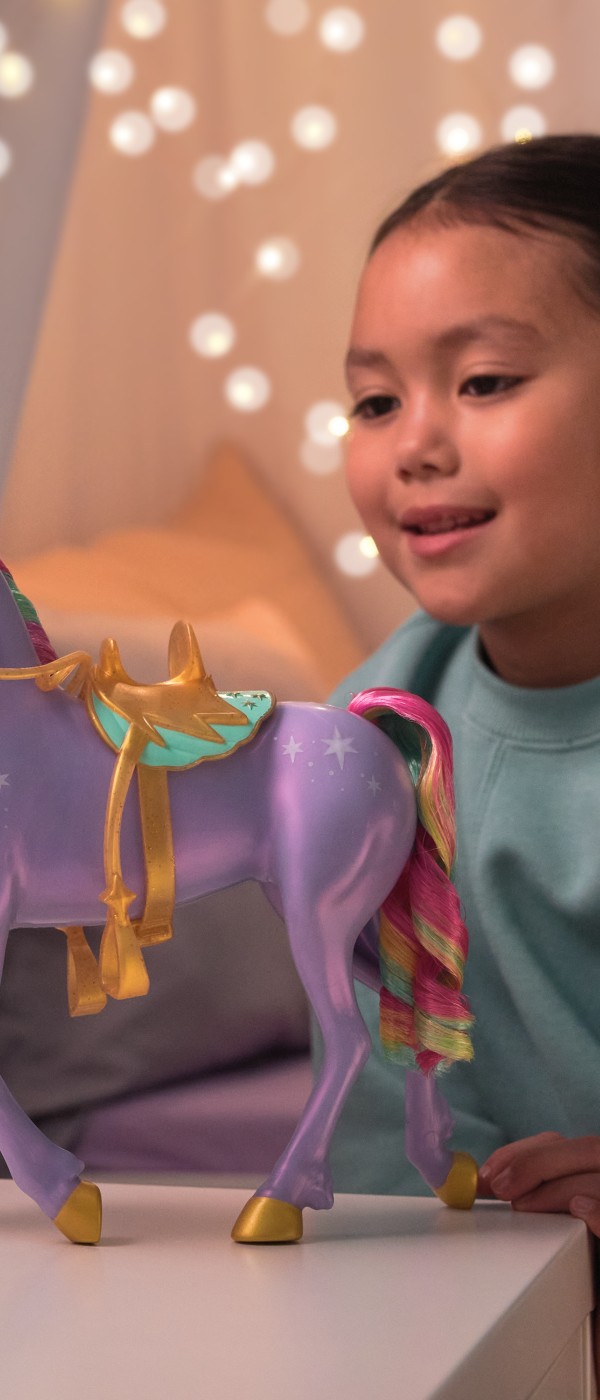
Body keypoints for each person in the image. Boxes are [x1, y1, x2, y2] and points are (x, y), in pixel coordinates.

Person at [328, 134, 600, 1239]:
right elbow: (386, 1141)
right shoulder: (372, 740)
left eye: (483, 382)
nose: (415, 445)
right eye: (373, 402)